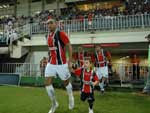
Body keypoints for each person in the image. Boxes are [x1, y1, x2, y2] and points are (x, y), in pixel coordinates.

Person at [45, 18, 74, 113]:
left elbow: (69, 46)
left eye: (51, 23)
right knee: (47, 84)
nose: (49, 25)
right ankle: (54, 104)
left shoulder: (61, 34)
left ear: (56, 24)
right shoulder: (47, 35)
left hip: (62, 64)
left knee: (66, 83)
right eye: (48, 24)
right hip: (51, 63)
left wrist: (70, 61)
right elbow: (51, 49)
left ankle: (70, 96)